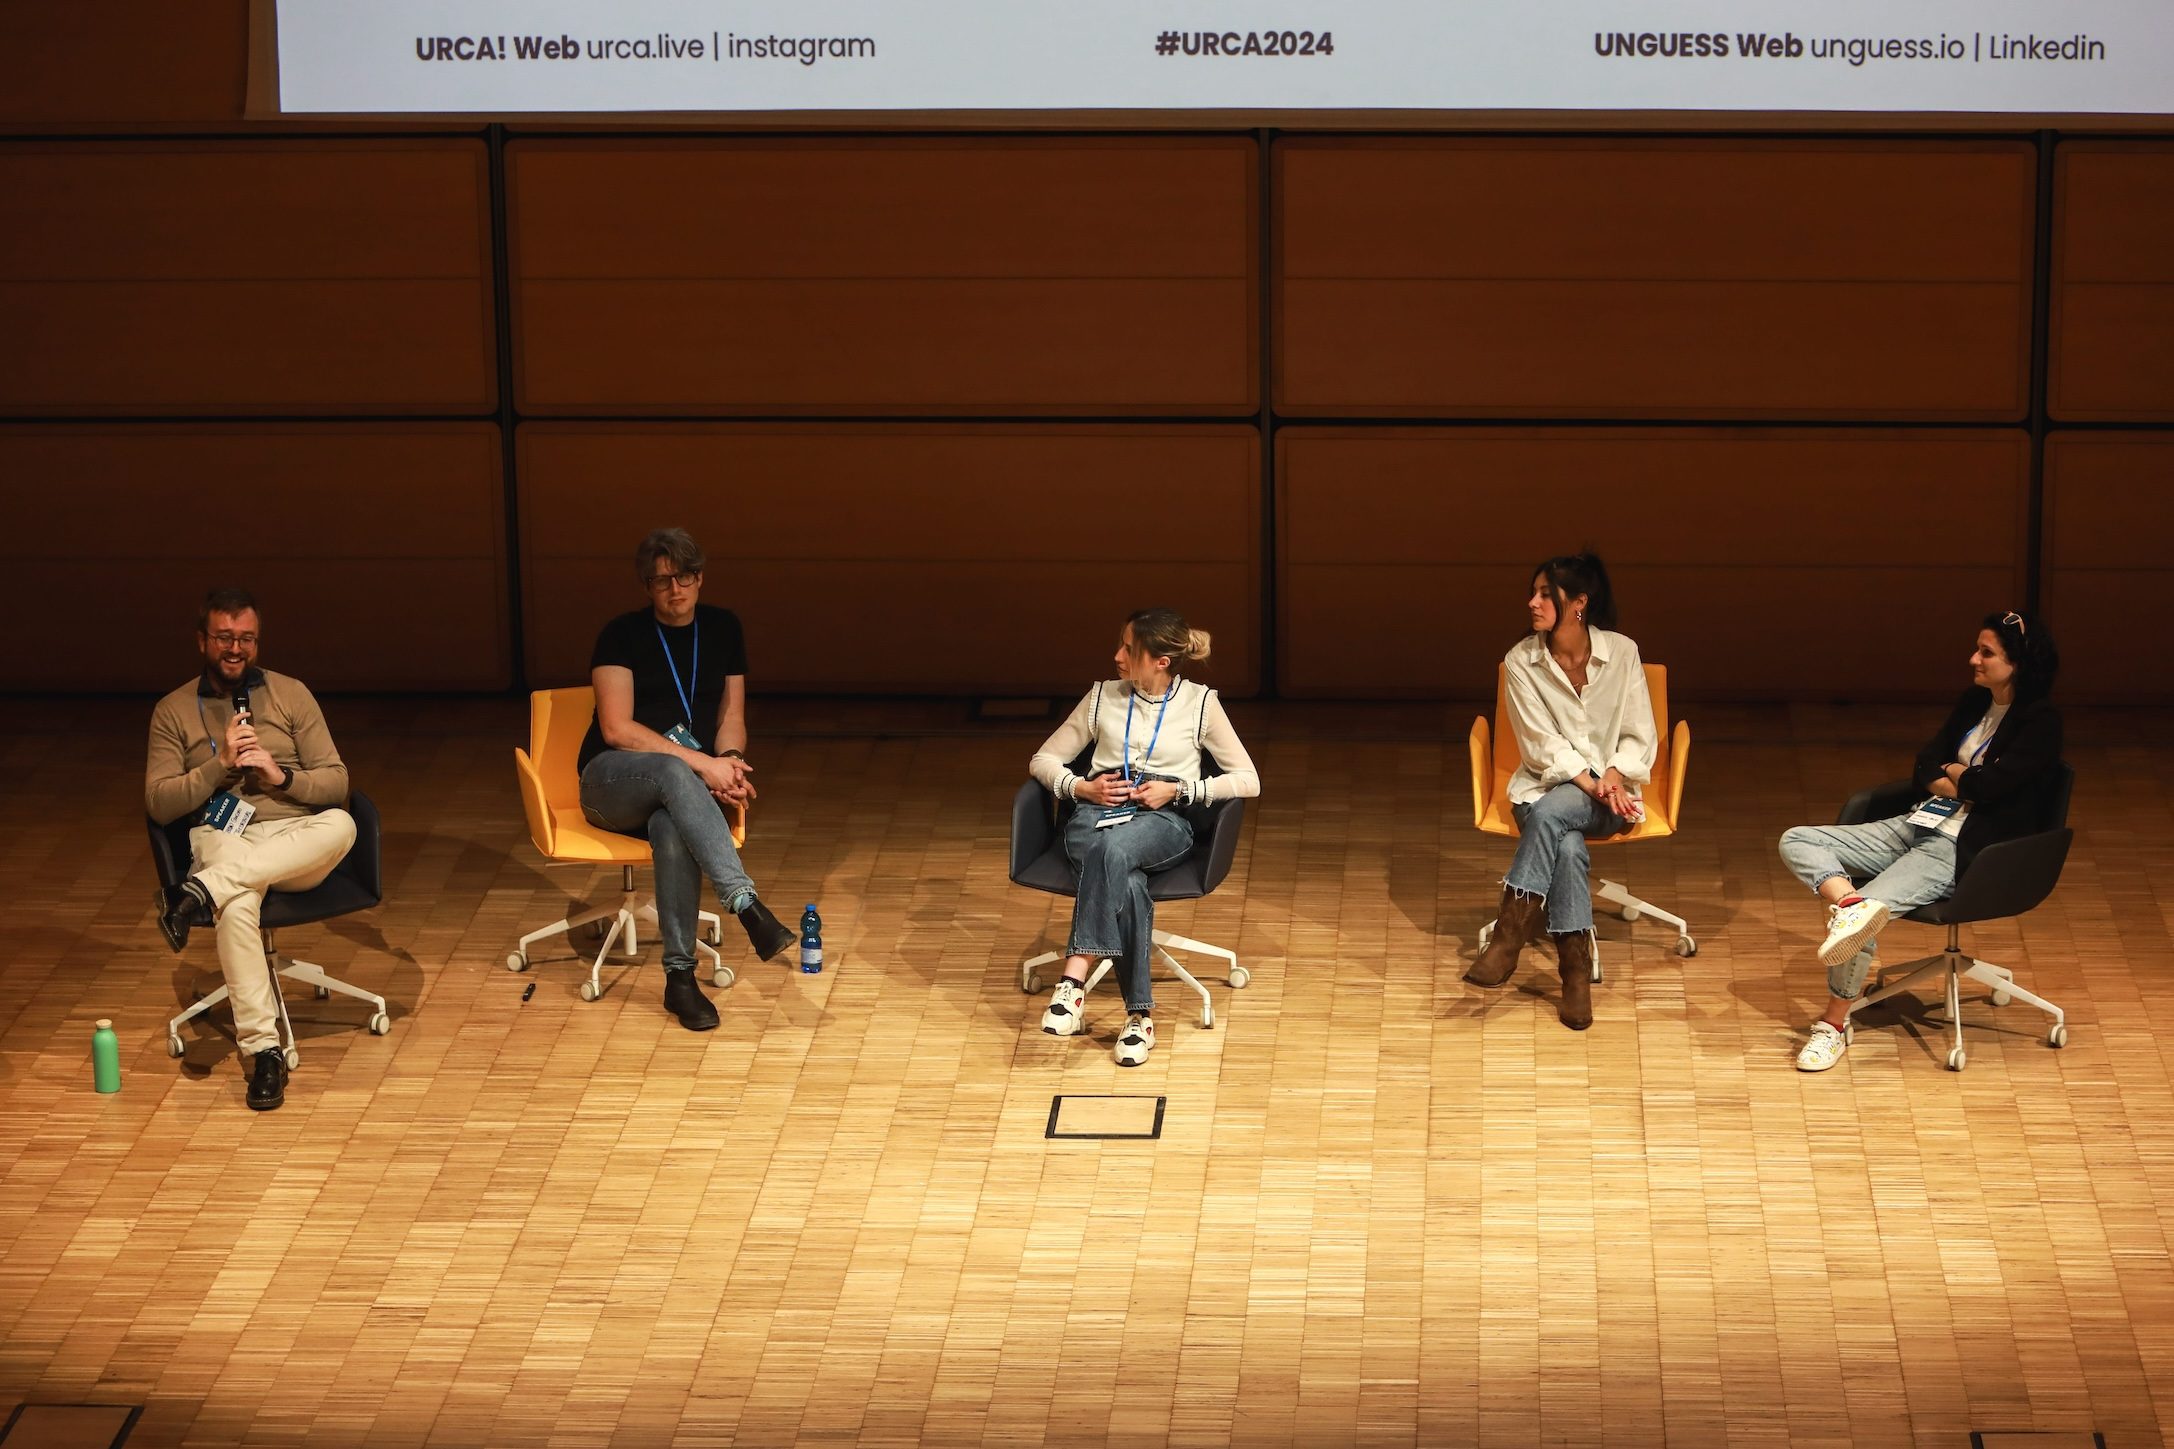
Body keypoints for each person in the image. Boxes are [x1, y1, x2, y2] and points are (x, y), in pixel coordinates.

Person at [1783, 610, 2063, 1072]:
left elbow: (1991, 789)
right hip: (1919, 822)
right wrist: (1964, 777)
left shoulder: (2040, 722)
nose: (1973, 659)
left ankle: (1831, 1027)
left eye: (1986, 653)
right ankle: (1849, 906)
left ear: (2019, 662)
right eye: (1977, 648)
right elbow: (1926, 763)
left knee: (1860, 929)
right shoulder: (1974, 701)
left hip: (1962, 847)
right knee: (1799, 840)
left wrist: (1957, 776)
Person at [147, 587, 356, 1111]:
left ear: (256, 644)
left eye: (246, 639)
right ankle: (265, 1053)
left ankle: (199, 891)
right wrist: (218, 767)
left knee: (343, 825)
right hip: (224, 837)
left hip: (292, 840)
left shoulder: (291, 694)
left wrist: (280, 775)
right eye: (224, 638)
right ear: (202, 641)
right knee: (238, 902)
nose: (235, 649)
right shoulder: (173, 710)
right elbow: (158, 803)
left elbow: (337, 783)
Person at [577, 527, 794, 1031]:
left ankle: (680, 980)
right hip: (611, 782)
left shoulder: (723, 628)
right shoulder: (621, 634)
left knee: (673, 826)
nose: (676, 589)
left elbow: (731, 714)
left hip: (684, 786)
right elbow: (617, 729)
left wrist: (731, 761)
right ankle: (745, 903)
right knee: (675, 768)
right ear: (647, 587)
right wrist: (705, 766)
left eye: (686, 577)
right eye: (662, 581)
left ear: (700, 578)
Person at [1028, 608, 1260, 1065]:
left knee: (1112, 850)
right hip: (1096, 812)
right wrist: (1081, 786)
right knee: (1125, 877)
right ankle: (1139, 1016)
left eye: (1129, 650)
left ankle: (1072, 982)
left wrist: (1183, 789)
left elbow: (1248, 779)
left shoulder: (1200, 704)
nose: (1116, 656)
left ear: (1161, 662)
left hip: (1164, 818)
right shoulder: (1101, 698)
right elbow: (1043, 759)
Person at [1464, 553, 1655, 1030]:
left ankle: (1509, 938)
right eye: (1533, 592)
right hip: (1544, 790)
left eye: (1546, 593)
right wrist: (1592, 782)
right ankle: (1574, 976)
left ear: (1579, 603)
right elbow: (1539, 747)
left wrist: (1613, 774)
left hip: (1612, 799)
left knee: (1555, 818)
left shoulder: (1623, 654)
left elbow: (1639, 734)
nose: (1533, 602)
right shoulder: (1521, 661)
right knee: (1565, 845)